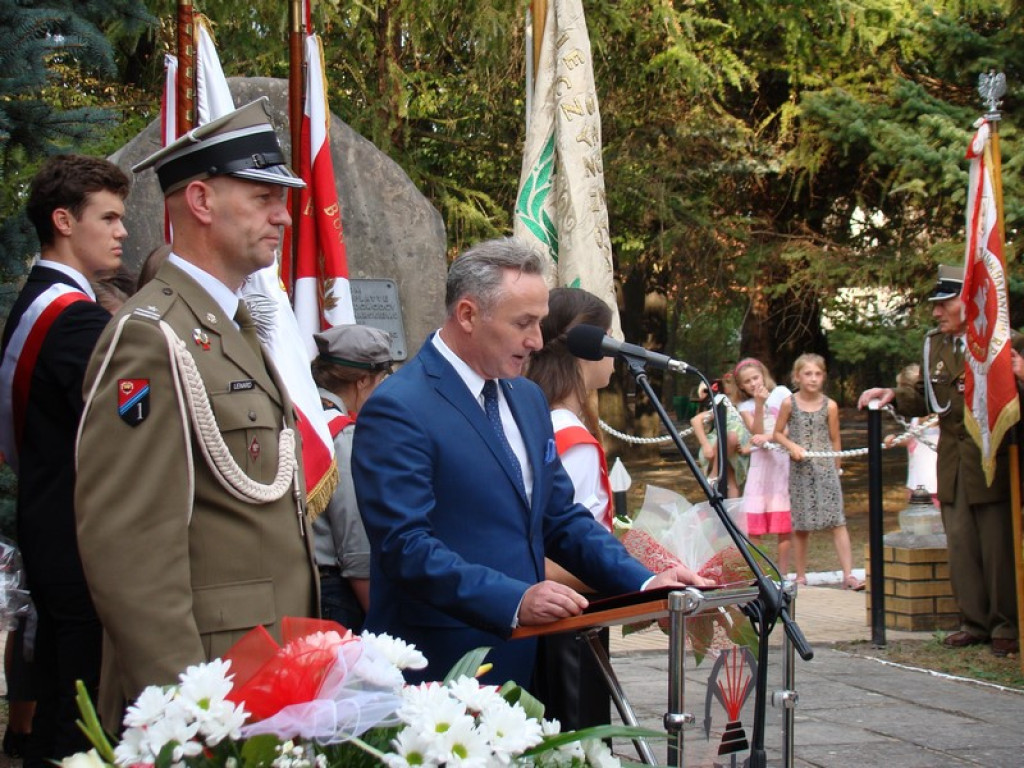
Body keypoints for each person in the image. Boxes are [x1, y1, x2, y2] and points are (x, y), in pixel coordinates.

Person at [352, 238, 709, 688]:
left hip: (528, 659)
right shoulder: (400, 407)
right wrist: (515, 600)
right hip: (438, 667)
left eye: (540, 322)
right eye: (524, 323)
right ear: (467, 315)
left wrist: (644, 582)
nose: (537, 341)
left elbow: (560, 519)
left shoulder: (527, 398)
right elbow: (405, 546)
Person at [74, 98, 318, 729]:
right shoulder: (150, 338)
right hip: (207, 682)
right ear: (203, 202)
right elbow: (128, 552)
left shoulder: (227, 327)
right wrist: (187, 713)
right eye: (264, 195)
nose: (282, 215)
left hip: (261, 666)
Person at [0, 154, 129, 765]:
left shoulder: (43, 302)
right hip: (78, 534)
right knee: (79, 709)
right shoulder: (71, 320)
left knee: (58, 689)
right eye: (107, 217)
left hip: (50, 522)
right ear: (63, 221)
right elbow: (134, 422)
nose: (121, 231)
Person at [858, 264, 1020, 657]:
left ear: (967, 301)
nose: (936, 312)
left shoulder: (1003, 339)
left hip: (992, 458)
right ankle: (973, 621)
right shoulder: (936, 344)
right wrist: (894, 394)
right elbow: (929, 400)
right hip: (952, 460)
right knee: (961, 544)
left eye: (943, 303)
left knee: (998, 547)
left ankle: (1006, 624)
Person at [524, 286, 616, 730]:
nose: (616, 354)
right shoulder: (569, 437)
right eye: (610, 340)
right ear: (586, 347)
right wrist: (628, 564)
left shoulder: (540, 417)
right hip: (568, 624)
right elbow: (561, 547)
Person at [310, 323, 393, 632]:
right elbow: (355, 539)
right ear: (362, 381)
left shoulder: (300, 414)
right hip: (336, 591)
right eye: (381, 380)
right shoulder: (342, 437)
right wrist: (380, 621)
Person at [773, 354, 861, 590]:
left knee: (837, 521)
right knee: (801, 524)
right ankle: (801, 575)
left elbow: (835, 438)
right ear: (797, 376)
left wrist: (837, 466)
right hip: (800, 470)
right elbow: (778, 433)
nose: (813, 379)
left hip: (825, 469)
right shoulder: (789, 403)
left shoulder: (829, 405)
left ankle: (848, 574)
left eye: (818, 374)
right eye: (808, 374)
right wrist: (791, 446)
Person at [734, 358, 792, 578]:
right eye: (747, 381)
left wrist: (770, 437)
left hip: (781, 462)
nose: (753, 383)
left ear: (763, 375)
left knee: (783, 523)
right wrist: (759, 404)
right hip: (760, 466)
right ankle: (761, 573)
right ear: (741, 386)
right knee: (754, 521)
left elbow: (787, 427)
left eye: (755, 378)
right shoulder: (745, 406)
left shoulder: (782, 393)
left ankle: (783, 572)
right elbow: (755, 432)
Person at [884, 364, 939, 506]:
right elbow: (912, 440)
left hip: (936, 486)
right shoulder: (915, 420)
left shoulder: (940, 421)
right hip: (917, 486)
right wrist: (895, 440)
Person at [690, 374, 750, 499]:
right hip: (719, 445)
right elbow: (696, 420)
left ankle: (730, 514)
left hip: (738, 449)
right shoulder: (723, 405)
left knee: (732, 482)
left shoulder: (747, 407)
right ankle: (714, 474)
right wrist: (706, 445)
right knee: (731, 436)